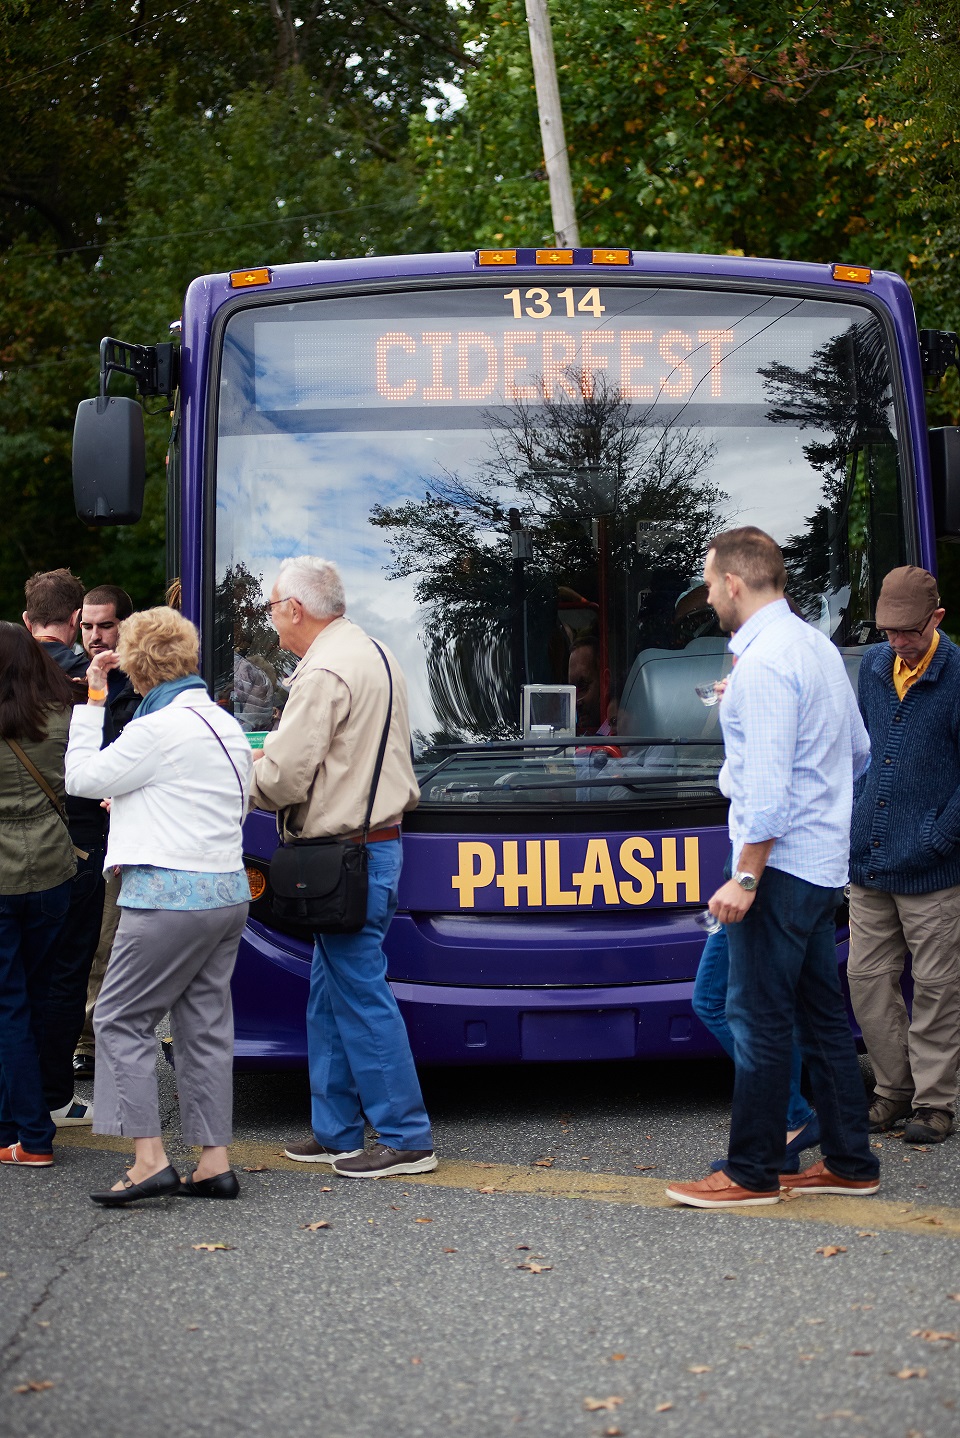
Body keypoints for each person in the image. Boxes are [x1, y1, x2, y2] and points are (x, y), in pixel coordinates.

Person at [665, 526, 880, 1208]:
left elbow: (764, 790)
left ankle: (751, 1171)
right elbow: (857, 753)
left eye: (709, 581)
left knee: (756, 1019)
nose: (707, 595)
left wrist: (746, 876)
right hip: (819, 867)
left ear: (733, 582)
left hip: (777, 869)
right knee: (821, 1022)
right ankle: (849, 1161)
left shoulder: (761, 667)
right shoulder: (814, 647)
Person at [248, 556, 435, 1178]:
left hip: (343, 852)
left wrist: (226, 773)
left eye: (273, 608)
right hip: (373, 846)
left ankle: (407, 1137)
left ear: (295, 609)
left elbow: (281, 776)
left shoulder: (321, 670)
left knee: (357, 993)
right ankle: (337, 1132)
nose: (272, 621)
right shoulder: (372, 651)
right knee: (332, 991)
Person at [64, 607, 252, 1205]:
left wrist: (93, 700)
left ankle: (149, 1161)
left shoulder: (153, 728)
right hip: (227, 893)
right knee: (205, 1027)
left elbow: (84, 779)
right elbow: (222, 800)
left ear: (136, 666)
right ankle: (213, 1161)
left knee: (120, 1019)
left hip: (170, 896)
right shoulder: (220, 720)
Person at [848, 566, 960, 1145]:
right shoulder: (871, 666)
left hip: (934, 867)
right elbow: (862, 747)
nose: (896, 642)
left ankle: (936, 1103)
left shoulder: (957, 672)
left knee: (938, 987)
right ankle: (893, 1091)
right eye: (887, 631)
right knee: (865, 978)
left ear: (936, 619)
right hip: (870, 860)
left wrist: (939, 837)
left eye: (907, 632)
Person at [22, 569, 101, 1127]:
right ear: (76, 620)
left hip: (17, 840)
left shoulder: (10, 677)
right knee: (66, 972)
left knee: (17, 975)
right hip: (81, 839)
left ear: (28, 621)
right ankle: (53, 1092)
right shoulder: (95, 681)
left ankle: (16, 1095)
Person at [0, 624, 77, 1168]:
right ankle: (17, 1124)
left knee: (9, 1007)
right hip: (53, 869)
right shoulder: (61, 719)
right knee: (34, 997)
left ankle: (32, 1136)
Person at [71, 584, 138, 1081]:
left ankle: (105, 1039)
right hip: (83, 828)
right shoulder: (70, 677)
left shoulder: (145, 680)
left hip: (134, 827)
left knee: (119, 941)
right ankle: (86, 1042)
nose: (95, 636)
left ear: (125, 625)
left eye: (106, 625)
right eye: (87, 626)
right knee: (91, 938)